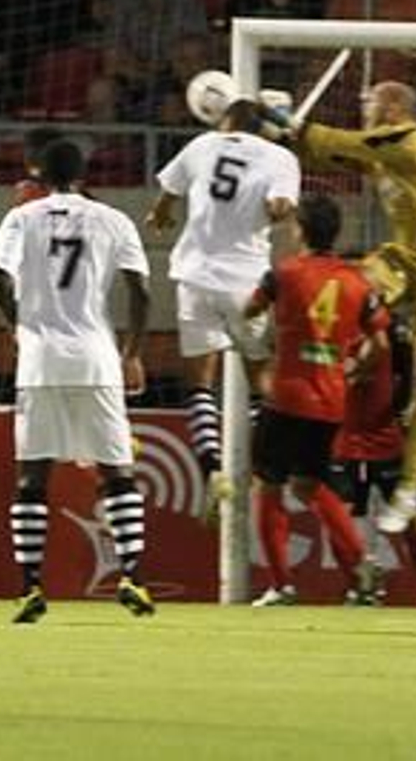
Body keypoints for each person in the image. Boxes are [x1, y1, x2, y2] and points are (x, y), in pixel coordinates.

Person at [282, 80, 416, 535]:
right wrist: (281, 138)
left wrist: (290, 123)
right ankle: (337, 385)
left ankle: (408, 488)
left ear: (393, 107)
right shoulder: (381, 154)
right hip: (403, 258)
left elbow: (341, 142)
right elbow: (329, 156)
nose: (362, 103)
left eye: (368, 99)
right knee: (343, 291)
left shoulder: (412, 142)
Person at [0, 139, 154, 625]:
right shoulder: (113, 219)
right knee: (117, 472)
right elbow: (140, 290)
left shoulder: (20, 218)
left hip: (40, 361)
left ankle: (30, 587)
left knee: (32, 478)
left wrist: (20, 325)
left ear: (39, 174)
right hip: (97, 360)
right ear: (83, 175)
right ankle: (132, 576)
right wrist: (133, 352)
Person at [145, 94, 301, 523]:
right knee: (261, 381)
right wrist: (277, 208)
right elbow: (281, 209)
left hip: (194, 278)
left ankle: (212, 468)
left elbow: (167, 196)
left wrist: (160, 216)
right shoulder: (280, 157)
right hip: (246, 284)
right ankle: (260, 469)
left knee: (199, 384)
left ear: (225, 123)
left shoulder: (201, 145)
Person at [244, 194, 392, 606]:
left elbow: (249, 310)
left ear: (300, 230)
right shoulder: (357, 282)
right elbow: (380, 344)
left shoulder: (285, 273)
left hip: (287, 395)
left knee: (268, 483)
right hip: (331, 401)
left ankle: (281, 585)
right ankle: (361, 561)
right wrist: (352, 370)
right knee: (310, 483)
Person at [328, 296, 416, 607]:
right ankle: (359, 589)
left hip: (388, 440)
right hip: (343, 441)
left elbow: (410, 378)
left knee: (411, 518)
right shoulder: (332, 326)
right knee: (337, 518)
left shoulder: (396, 332)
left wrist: (403, 415)